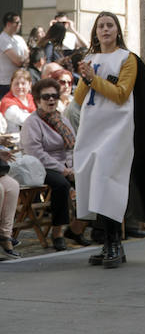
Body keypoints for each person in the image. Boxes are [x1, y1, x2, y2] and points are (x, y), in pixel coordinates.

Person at [74, 12, 145, 268]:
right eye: (101, 26)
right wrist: (85, 79)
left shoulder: (127, 59)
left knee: (107, 181)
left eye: (110, 25)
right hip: (91, 128)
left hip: (116, 128)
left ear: (117, 31)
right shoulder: (89, 58)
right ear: (95, 32)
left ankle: (115, 242)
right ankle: (106, 243)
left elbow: (121, 93)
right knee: (92, 182)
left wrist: (93, 79)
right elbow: (80, 99)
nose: (105, 30)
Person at [20, 77, 90, 251]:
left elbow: (72, 148)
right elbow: (36, 154)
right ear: (37, 100)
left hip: (65, 164)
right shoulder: (32, 123)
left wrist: (73, 167)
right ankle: (57, 232)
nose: (51, 99)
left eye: (54, 96)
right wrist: (64, 170)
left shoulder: (62, 120)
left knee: (91, 180)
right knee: (61, 185)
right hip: (40, 167)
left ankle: (76, 228)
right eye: (46, 97)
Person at [0, 13, 28, 100]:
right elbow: (17, 61)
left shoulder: (19, 39)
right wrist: (23, 59)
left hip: (21, 80)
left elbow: (27, 55)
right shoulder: (3, 39)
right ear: (8, 24)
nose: (20, 25)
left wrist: (23, 59)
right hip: (7, 82)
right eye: (17, 22)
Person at [0, 68, 35, 133]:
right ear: (11, 85)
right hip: (13, 139)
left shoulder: (33, 99)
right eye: (16, 84)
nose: (20, 86)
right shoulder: (7, 102)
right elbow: (22, 119)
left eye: (23, 83)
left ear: (30, 85)